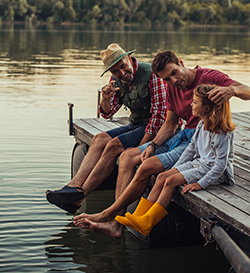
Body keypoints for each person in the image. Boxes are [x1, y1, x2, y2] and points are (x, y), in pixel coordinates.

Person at [74, 50, 250, 237]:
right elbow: (170, 123)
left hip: (197, 139)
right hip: (181, 135)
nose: (173, 81)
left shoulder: (208, 78)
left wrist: (232, 90)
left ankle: (109, 216)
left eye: (174, 73)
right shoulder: (170, 87)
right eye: (167, 79)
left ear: (181, 63)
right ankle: (116, 223)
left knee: (146, 167)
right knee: (127, 156)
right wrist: (152, 145)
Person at [46, 44, 167, 213]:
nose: (122, 73)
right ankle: (73, 186)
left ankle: (79, 197)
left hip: (155, 129)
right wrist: (105, 99)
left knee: (113, 145)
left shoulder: (151, 74)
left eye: (123, 66)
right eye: (116, 71)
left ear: (128, 58)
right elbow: (107, 113)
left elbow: (159, 119)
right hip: (136, 124)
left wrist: (141, 147)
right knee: (99, 139)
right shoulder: (116, 79)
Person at [115, 83, 236, 236]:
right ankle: (139, 216)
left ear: (206, 108)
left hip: (215, 172)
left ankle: (148, 222)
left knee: (170, 182)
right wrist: (175, 168)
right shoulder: (200, 125)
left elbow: (220, 165)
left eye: (195, 102)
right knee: (162, 177)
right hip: (200, 163)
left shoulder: (222, 132)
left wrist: (200, 184)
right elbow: (191, 149)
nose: (191, 104)